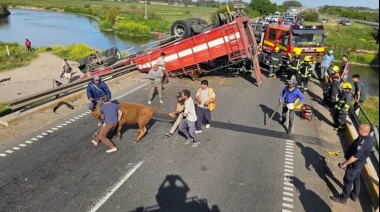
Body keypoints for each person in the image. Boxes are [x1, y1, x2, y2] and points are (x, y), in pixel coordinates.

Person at [330, 124, 373, 204]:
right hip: (360, 164)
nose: (357, 129)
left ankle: (343, 198)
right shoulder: (368, 138)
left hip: (354, 164)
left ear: (364, 131)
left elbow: (355, 156)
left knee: (348, 180)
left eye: (359, 128)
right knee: (356, 178)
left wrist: (344, 164)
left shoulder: (363, 142)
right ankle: (354, 195)